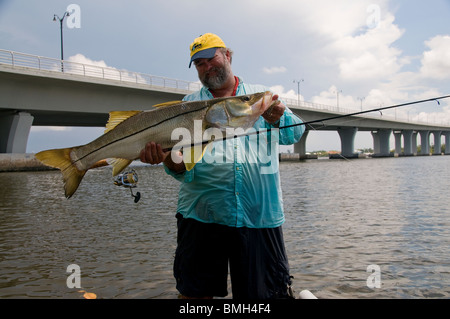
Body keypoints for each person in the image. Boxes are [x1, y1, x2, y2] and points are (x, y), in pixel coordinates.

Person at [140, 33, 304, 299]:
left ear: (227, 55)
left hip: (259, 215)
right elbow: (179, 168)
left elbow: (293, 135)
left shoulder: (260, 96)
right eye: (199, 64)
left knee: (264, 298)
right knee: (195, 296)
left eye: (211, 58)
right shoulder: (187, 106)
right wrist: (165, 156)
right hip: (202, 215)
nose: (207, 67)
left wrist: (279, 117)